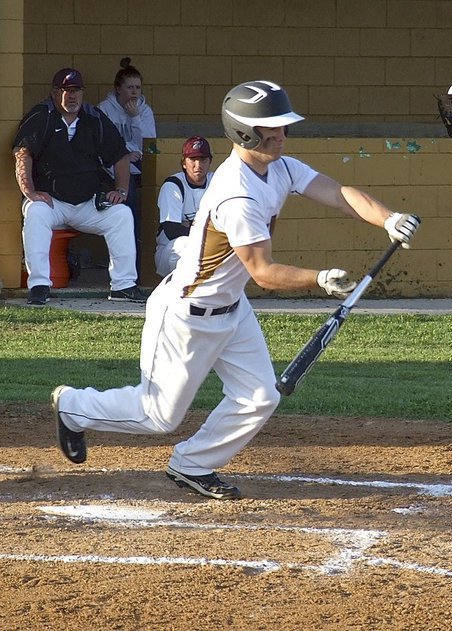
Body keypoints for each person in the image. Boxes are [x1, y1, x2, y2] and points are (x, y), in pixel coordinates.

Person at [50, 80, 420, 500]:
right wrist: (319, 279)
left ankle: (193, 464)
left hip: (232, 308)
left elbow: (337, 193)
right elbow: (263, 271)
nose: (282, 135)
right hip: (187, 315)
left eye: (283, 126)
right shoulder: (236, 195)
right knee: (157, 415)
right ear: (246, 132)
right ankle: (73, 406)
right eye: (273, 127)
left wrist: (389, 218)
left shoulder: (278, 167)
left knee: (260, 395)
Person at [12, 67, 146, 306]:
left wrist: (121, 190)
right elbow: (23, 153)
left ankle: (123, 286)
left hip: (88, 203)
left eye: (76, 90)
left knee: (122, 215)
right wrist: (29, 191)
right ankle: (40, 285)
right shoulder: (42, 115)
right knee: (34, 211)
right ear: (55, 92)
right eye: (66, 90)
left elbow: (120, 156)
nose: (72, 96)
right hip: (53, 202)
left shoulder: (93, 117)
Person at [98, 57, 157, 279]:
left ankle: (143, 261)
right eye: (130, 87)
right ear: (118, 89)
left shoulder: (144, 110)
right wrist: (122, 154)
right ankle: (128, 263)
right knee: (128, 201)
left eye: (138, 88)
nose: (134, 93)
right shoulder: (104, 110)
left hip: (138, 164)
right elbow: (99, 144)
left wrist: (135, 118)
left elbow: (150, 144)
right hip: (110, 167)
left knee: (151, 199)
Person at [155, 136, 214, 277]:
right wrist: (208, 229)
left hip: (207, 246)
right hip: (169, 252)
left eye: (203, 160)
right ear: (183, 163)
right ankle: (179, 290)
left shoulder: (217, 182)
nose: (198, 165)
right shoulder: (173, 185)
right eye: (193, 160)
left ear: (210, 161)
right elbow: (172, 230)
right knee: (186, 244)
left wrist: (190, 225)